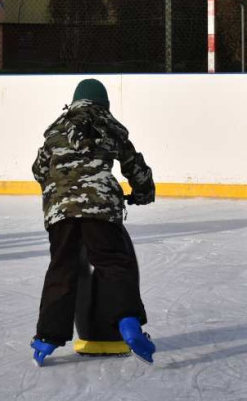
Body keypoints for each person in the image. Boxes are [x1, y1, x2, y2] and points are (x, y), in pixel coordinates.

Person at [30, 79, 157, 367]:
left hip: (59, 210)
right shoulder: (110, 126)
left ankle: (46, 339)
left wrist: (59, 190)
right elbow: (135, 167)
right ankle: (128, 324)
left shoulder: (55, 129)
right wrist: (142, 194)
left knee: (62, 267)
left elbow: (38, 169)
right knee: (113, 262)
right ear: (104, 104)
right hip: (101, 208)